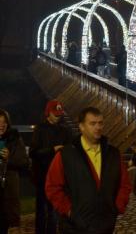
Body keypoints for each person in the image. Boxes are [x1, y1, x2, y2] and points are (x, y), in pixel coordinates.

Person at [45, 107, 131, 233]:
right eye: (92, 123)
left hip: (105, 226)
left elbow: (125, 184)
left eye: (100, 123)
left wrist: (117, 207)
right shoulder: (66, 154)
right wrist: (69, 211)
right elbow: (52, 187)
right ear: (81, 126)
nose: (98, 127)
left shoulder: (113, 154)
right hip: (74, 227)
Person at [30, 100, 74, 234]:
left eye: (60, 114)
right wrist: (52, 150)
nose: (58, 117)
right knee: (42, 211)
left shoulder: (65, 130)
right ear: (48, 113)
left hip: (59, 177)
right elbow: (33, 152)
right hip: (42, 176)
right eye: (55, 114)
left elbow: (70, 150)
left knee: (55, 211)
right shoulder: (40, 129)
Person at [0, 109, 29, 234]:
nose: (1, 124)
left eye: (4, 122)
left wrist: (8, 158)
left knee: (4, 225)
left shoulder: (14, 138)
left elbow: (24, 161)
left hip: (7, 192)